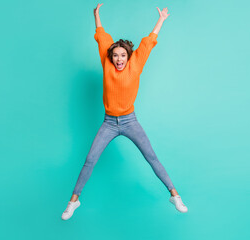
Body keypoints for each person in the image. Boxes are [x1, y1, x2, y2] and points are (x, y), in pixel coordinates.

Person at [62, 4, 188, 220]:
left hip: (130, 122)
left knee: (151, 157)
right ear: (110, 57)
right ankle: (74, 201)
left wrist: (161, 20)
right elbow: (102, 38)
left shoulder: (136, 64)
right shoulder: (107, 64)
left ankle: (174, 195)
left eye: (123, 55)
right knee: (90, 160)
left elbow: (148, 43)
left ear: (129, 56)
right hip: (109, 123)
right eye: (115, 56)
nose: (119, 59)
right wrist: (97, 15)